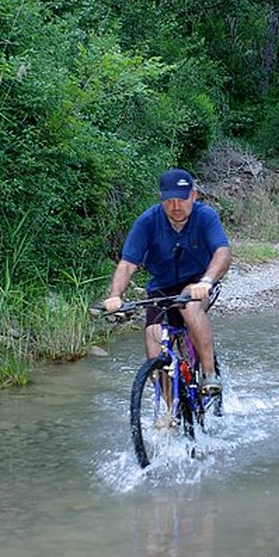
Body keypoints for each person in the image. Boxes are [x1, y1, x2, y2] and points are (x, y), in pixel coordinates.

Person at [103, 168, 232, 393]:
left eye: (181, 199)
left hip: (197, 282)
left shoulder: (205, 216)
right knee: (153, 342)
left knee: (190, 309)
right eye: (169, 200)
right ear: (161, 199)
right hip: (161, 287)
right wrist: (115, 296)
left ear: (193, 196)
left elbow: (222, 251)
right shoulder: (148, 221)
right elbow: (127, 264)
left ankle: (210, 374)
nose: (176, 207)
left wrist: (207, 281)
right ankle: (169, 413)